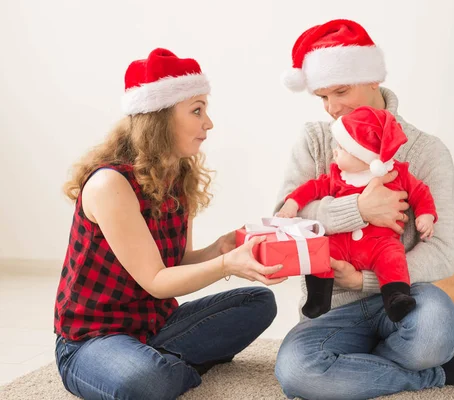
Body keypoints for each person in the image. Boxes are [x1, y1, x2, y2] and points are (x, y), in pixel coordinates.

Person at [274, 19, 454, 400]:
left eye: (341, 91)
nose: (333, 108)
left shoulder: (426, 151)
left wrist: (366, 281)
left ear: (372, 79)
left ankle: (381, 363)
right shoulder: (315, 141)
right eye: (322, 97)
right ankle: (431, 373)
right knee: (296, 372)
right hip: (332, 309)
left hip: (406, 299)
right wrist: (358, 209)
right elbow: (284, 223)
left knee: (433, 331)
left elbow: (441, 253)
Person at [54, 48, 285, 400]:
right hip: (93, 338)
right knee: (144, 381)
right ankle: (169, 367)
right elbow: (158, 281)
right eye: (197, 110)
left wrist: (220, 249)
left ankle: (163, 362)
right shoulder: (109, 184)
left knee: (258, 302)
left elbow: (173, 265)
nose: (209, 123)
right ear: (159, 118)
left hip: (155, 326)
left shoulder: (178, 174)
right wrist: (226, 265)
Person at [277, 106, 437, 322]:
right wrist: (292, 203)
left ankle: (396, 298)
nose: (335, 151)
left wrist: (425, 215)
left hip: (380, 243)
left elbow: (420, 192)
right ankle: (318, 298)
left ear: (365, 157)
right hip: (340, 242)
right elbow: (312, 188)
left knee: (392, 258)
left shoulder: (396, 174)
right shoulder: (337, 176)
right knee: (320, 253)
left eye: (342, 148)